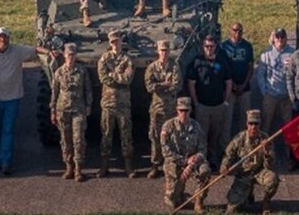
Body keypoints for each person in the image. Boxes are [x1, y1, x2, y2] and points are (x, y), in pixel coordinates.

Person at [0, 26, 51, 175]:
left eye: (5, 37)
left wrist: (49, 52)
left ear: (9, 38)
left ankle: (6, 162)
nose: (3, 39)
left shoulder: (17, 51)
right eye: (0, 37)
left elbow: (34, 50)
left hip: (12, 98)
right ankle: (1, 157)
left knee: (8, 130)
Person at [221, 110, 280, 215]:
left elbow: (270, 165)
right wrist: (224, 167)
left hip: (259, 172)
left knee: (273, 179)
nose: (253, 127)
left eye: (256, 124)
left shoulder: (265, 138)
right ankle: (247, 194)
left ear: (260, 124)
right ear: (246, 124)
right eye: (251, 123)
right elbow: (228, 155)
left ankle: (266, 202)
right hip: (244, 174)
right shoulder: (239, 138)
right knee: (233, 205)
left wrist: (266, 152)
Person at [187, 34, 233, 169]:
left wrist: (225, 101)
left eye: (211, 46)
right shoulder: (197, 62)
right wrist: (195, 102)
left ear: (215, 47)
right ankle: (201, 161)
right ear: (203, 47)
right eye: (206, 46)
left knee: (215, 135)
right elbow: (191, 84)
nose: (209, 49)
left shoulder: (222, 62)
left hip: (218, 105)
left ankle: (213, 159)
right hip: (202, 105)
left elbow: (228, 83)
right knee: (201, 136)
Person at [97, 29, 137, 177]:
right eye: (113, 41)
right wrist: (118, 76)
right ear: (110, 43)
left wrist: (112, 75)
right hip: (108, 103)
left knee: (126, 135)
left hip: (123, 103)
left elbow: (129, 79)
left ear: (121, 41)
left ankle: (129, 166)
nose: (115, 44)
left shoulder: (127, 59)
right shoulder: (104, 58)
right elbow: (103, 78)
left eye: (117, 41)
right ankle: (104, 166)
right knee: (106, 134)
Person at [160, 96, 211, 214]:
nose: (183, 113)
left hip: (193, 162)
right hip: (175, 161)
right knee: (172, 202)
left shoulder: (196, 126)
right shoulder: (168, 126)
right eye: (181, 110)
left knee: (205, 170)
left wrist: (192, 164)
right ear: (177, 110)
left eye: (186, 110)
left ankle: (199, 201)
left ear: (190, 110)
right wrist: (185, 161)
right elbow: (166, 152)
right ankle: (175, 192)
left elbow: (203, 149)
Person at [51, 42, 92, 182]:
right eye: (68, 55)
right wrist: (53, 110)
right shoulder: (59, 72)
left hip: (78, 109)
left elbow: (88, 89)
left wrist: (88, 105)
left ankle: (79, 169)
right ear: (64, 55)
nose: (70, 57)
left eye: (73, 55)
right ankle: (69, 167)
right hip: (63, 110)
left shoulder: (82, 71)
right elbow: (54, 92)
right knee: (65, 139)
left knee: (78, 139)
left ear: (75, 56)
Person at [144, 39, 183, 178]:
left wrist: (159, 86)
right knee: (155, 136)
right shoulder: (152, 67)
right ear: (157, 51)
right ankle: (155, 165)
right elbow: (149, 87)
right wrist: (165, 85)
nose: (164, 53)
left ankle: (171, 165)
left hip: (171, 109)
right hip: (157, 108)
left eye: (166, 50)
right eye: (161, 50)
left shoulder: (174, 67)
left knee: (172, 137)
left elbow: (177, 86)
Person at [255, 28, 294, 164]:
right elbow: (260, 74)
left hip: (286, 96)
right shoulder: (266, 54)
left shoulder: (292, 53)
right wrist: (264, 91)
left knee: (288, 126)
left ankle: (289, 156)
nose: (280, 40)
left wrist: (292, 93)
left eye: (282, 37)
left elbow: (295, 73)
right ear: (274, 38)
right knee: (266, 125)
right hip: (270, 95)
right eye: (277, 37)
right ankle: (263, 155)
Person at [220, 21, 254, 135]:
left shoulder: (247, 46)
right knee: (227, 120)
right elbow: (223, 69)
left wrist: (244, 84)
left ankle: (244, 145)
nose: (237, 33)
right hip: (230, 89)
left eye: (240, 30)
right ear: (230, 31)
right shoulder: (224, 47)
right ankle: (224, 147)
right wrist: (233, 85)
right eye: (235, 30)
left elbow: (250, 67)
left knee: (245, 119)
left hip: (245, 88)